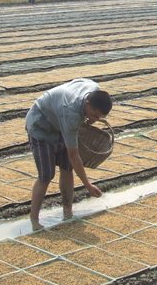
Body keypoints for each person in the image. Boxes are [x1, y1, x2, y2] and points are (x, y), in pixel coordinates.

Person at [25, 78, 113, 230]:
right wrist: (87, 185)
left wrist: (90, 118)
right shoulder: (71, 114)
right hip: (41, 125)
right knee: (46, 175)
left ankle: (67, 212)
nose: (95, 120)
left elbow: (79, 81)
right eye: (94, 115)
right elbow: (74, 155)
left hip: (59, 122)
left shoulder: (93, 88)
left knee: (67, 167)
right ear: (87, 104)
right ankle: (34, 219)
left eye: (99, 118)